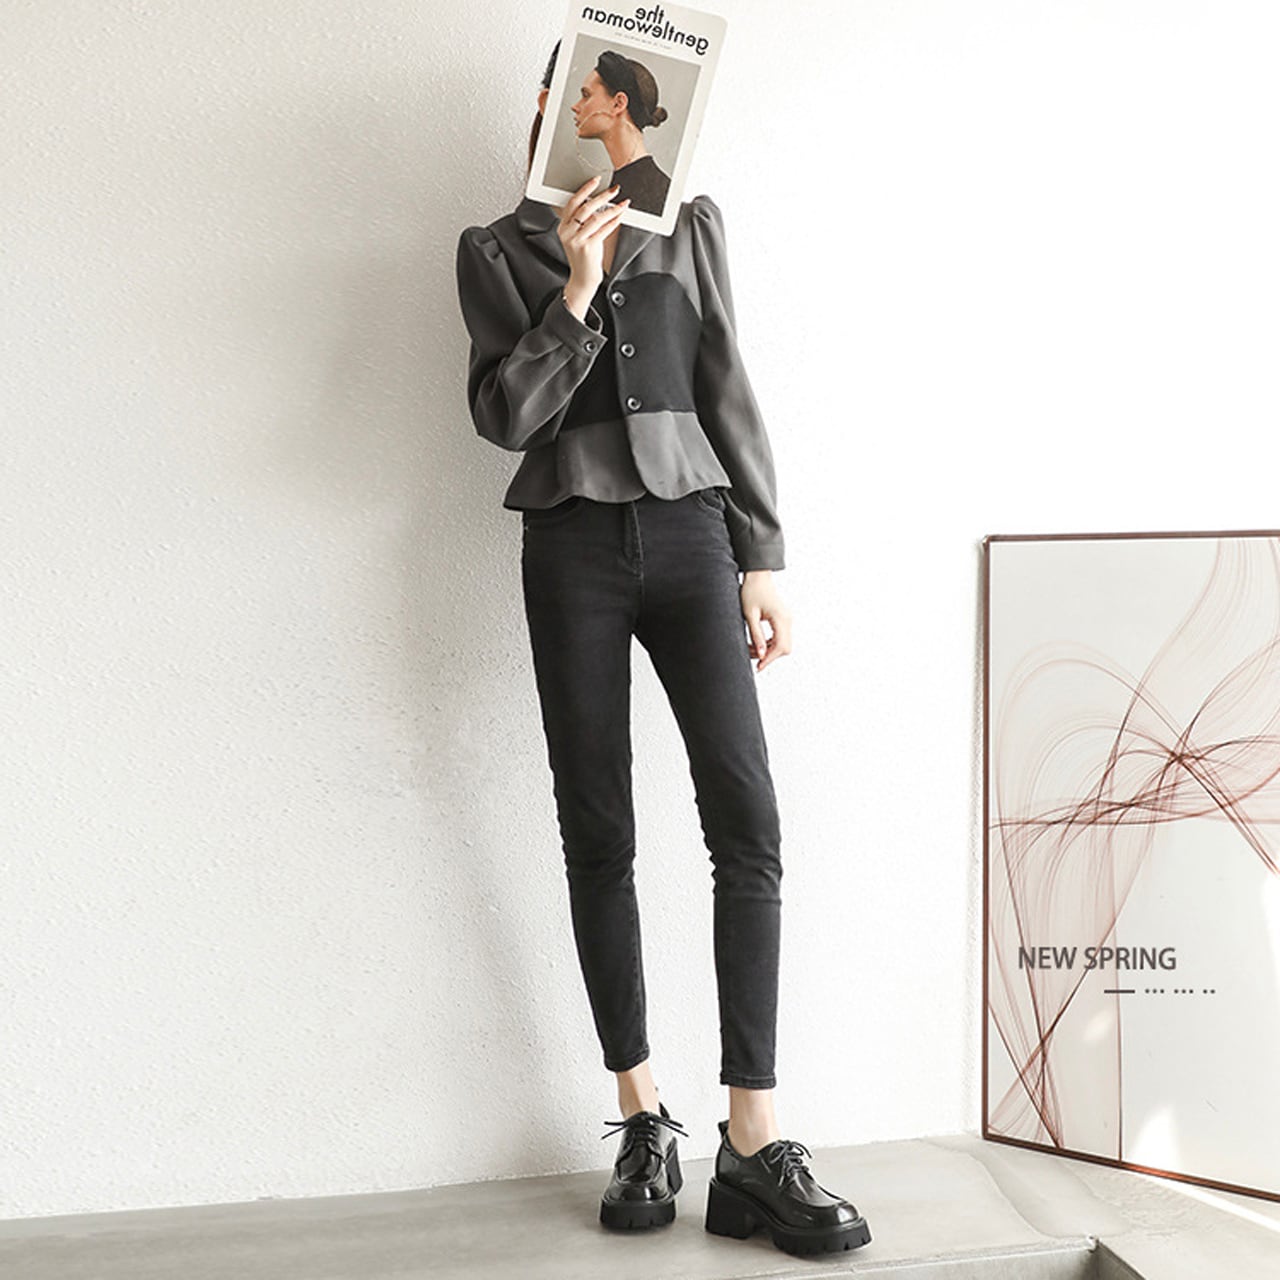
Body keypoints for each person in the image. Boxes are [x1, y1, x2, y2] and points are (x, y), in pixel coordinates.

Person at [454, 40, 872, 1259]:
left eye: (592, 87)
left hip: (694, 535)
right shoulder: (494, 250)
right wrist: (575, 289)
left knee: (747, 819)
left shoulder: (689, 226)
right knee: (599, 827)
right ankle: (641, 1116)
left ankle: (751, 1139)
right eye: (561, 87)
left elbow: (727, 384)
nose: (573, 104)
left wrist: (761, 554)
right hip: (570, 546)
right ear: (543, 105)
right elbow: (503, 415)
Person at [571, 49, 671, 215]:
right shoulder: (634, 184)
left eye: (586, 95)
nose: (575, 106)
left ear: (618, 104)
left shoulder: (653, 195)